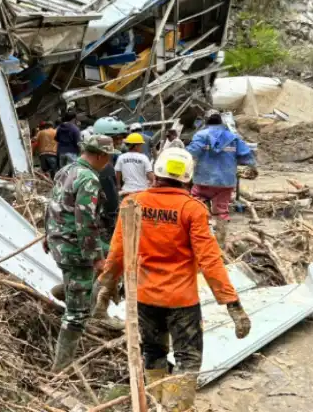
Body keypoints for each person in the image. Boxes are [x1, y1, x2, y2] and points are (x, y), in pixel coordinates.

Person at [95, 148, 251, 412]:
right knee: (187, 359)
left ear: (156, 173)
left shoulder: (134, 203)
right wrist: (232, 304)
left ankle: (155, 404)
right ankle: (175, 409)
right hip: (181, 301)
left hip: (145, 298)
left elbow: (118, 252)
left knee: (153, 353)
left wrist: (106, 287)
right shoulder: (192, 209)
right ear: (188, 178)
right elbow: (209, 260)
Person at [44, 134, 117, 371]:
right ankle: (62, 368)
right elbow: (85, 221)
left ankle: (70, 290)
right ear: (99, 155)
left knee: (115, 257)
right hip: (75, 249)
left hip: (59, 242)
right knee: (77, 314)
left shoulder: (65, 171)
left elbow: (52, 205)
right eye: (107, 158)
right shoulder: (88, 179)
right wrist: (96, 256)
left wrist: (47, 235)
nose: (108, 163)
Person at [185, 110, 257, 248]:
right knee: (222, 211)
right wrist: (251, 167)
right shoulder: (232, 137)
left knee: (197, 207)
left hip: (203, 180)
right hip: (226, 182)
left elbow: (191, 152)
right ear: (221, 122)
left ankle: (200, 241)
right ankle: (221, 244)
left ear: (206, 122)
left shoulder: (201, 135)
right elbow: (247, 156)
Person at [92, 117, 128, 245]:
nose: (120, 141)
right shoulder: (104, 165)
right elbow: (110, 199)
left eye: (121, 137)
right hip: (101, 219)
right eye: (115, 138)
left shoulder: (101, 159)